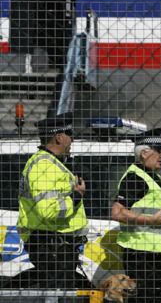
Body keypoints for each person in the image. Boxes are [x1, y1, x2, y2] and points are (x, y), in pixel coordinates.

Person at [17, 112, 88, 289]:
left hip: (57, 244)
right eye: (70, 135)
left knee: (61, 292)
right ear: (59, 137)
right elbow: (49, 211)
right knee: (59, 293)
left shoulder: (53, 163)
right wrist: (76, 196)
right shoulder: (44, 166)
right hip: (51, 245)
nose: (72, 140)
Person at [112, 128, 161, 302]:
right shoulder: (135, 178)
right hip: (139, 253)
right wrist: (152, 220)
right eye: (159, 150)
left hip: (152, 250)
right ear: (144, 153)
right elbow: (117, 212)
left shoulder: (153, 176)